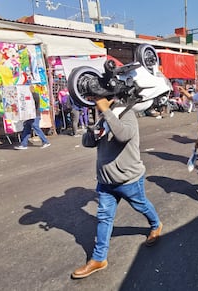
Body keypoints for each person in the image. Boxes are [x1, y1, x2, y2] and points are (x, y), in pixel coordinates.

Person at [71, 97, 162, 279]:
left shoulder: (127, 113)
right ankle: (99, 259)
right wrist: (93, 131)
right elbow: (87, 142)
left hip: (128, 179)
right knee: (104, 217)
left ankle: (156, 224)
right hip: (106, 181)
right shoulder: (103, 115)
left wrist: (106, 111)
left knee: (141, 205)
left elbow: (123, 135)